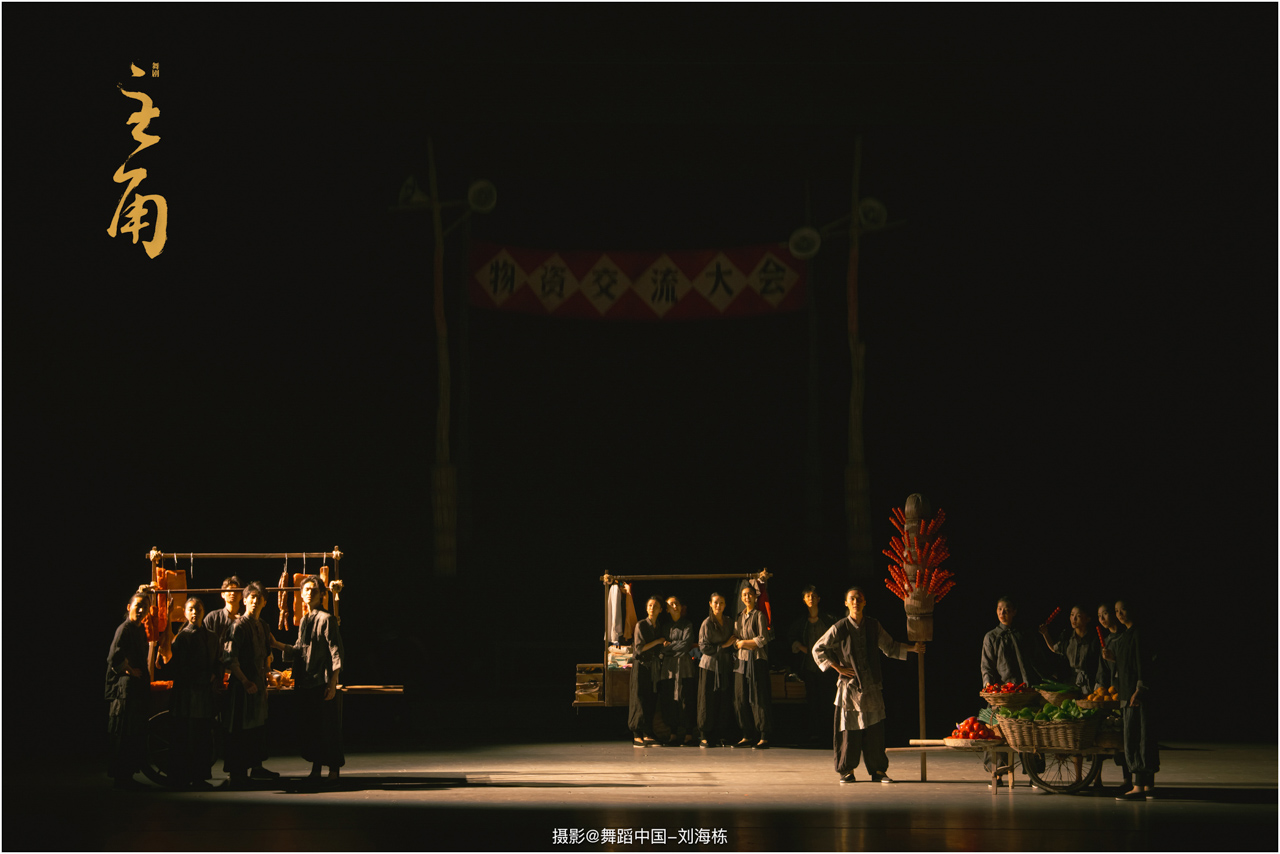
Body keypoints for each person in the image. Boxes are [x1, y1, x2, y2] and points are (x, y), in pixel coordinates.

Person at [812, 586, 924, 784]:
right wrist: (837, 667)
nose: (856, 602)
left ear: (864, 602)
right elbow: (818, 648)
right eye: (852, 599)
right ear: (846, 603)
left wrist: (913, 648)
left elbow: (889, 646)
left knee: (874, 732)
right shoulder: (840, 627)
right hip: (849, 688)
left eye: (859, 598)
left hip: (871, 686)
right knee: (849, 731)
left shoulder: (873, 625)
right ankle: (847, 770)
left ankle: (878, 770)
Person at [282, 575, 346, 784]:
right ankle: (316, 768)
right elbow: (300, 649)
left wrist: (333, 683)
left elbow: (336, 651)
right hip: (306, 681)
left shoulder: (326, 619)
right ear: (301, 594)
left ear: (322, 595)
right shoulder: (304, 620)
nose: (309, 593)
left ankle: (334, 769)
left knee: (328, 727)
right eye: (306, 590)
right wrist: (278, 645)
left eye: (314, 590)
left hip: (322, 681)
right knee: (313, 728)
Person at [222, 582, 286, 788]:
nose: (255, 601)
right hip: (242, 685)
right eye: (252, 597)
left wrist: (267, 678)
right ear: (245, 600)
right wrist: (244, 680)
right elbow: (231, 658)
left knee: (257, 726)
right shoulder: (238, 626)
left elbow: (265, 655)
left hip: (257, 684)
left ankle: (256, 767)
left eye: (259, 598)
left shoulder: (263, 626)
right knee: (240, 727)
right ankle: (237, 773)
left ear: (264, 602)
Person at [1102, 598, 1158, 801]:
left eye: (1123, 609)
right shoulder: (1126, 635)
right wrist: (1113, 659)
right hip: (1128, 692)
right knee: (1140, 736)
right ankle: (1148, 785)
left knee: (1138, 737)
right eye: (1116, 611)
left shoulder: (1138, 633)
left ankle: (1138, 787)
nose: (1119, 614)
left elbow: (1143, 664)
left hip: (1135, 694)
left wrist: (1140, 689)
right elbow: (1128, 663)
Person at [168, 597, 220, 790]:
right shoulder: (182, 638)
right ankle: (181, 778)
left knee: (202, 737)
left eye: (198, 609)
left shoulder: (212, 637)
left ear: (203, 611)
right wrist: (202, 677)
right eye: (190, 609)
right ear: (185, 613)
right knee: (185, 736)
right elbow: (180, 668)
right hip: (186, 696)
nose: (194, 612)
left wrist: (215, 674)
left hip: (205, 695)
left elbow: (218, 661)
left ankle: (200, 777)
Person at [106, 592, 152, 789]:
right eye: (138, 606)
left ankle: (128, 776)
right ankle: (121, 777)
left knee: (133, 732)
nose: (141, 610)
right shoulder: (124, 629)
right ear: (129, 607)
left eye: (145, 607)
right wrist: (130, 670)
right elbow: (114, 657)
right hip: (124, 691)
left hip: (135, 689)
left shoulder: (139, 629)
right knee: (123, 732)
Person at [789, 585, 839, 746]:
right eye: (808, 596)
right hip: (810, 666)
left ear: (818, 599)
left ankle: (830, 732)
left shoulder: (829, 619)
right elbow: (792, 639)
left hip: (828, 666)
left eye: (813, 596)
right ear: (804, 600)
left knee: (828, 699)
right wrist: (802, 648)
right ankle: (815, 733)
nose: (811, 598)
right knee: (813, 701)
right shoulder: (801, 622)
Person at [731, 585, 773, 749]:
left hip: (756, 660)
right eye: (744, 595)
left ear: (755, 597)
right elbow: (735, 638)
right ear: (741, 598)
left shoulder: (759, 615)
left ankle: (763, 736)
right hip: (741, 661)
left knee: (758, 697)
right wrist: (738, 643)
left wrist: (744, 643)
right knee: (740, 698)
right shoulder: (739, 616)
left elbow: (763, 639)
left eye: (750, 594)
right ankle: (746, 735)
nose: (747, 597)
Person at [696, 592, 737, 747]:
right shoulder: (707, 623)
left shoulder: (729, 622)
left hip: (725, 665)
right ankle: (704, 735)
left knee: (723, 700)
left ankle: (720, 734)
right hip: (710, 666)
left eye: (721, 603)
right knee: (707, 700)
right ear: (710, 604)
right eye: (715, 603)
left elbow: (734, 640)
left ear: (725, 605)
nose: (718, 606)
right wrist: (723, 646)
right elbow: (703, 647)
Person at [629, 595, 668, 747]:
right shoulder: (641, 625)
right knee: (639, 698)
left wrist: (663, 644)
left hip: (653, 667)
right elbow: (639, 649)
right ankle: (637, 734)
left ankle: (647, 733)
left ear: (660, 610)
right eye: (650, 605)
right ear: (646, 608)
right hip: (641, 665)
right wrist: (657, 641)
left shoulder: (658, 626)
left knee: (650, 699)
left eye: (655, 606)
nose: (652, 608)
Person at [659, 596, 698, 746]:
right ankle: (673, 734)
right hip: (669, 667)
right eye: (671, 604)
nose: (674, 606)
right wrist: (671, 647)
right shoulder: (665, 626)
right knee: (670, 699)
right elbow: (661, 648)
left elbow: (686, 645)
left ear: (681, 607)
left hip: (685, 666)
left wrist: (670, 646)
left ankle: (688, 734)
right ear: (667, 609)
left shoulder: (687, 624)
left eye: (677, 604)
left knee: (686, 698)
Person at [1036, 604, 1100, 694]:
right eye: (1072, 615)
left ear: (1088, 619)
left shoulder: (1094, 639)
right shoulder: (1067, 636)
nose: (1074, 619)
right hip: (1070, 682)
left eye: (1078, 616)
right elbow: (1054, 648)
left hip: (1089, 683)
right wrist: (1045, 634)